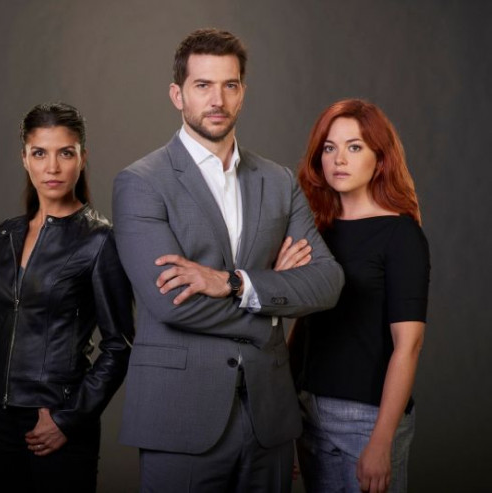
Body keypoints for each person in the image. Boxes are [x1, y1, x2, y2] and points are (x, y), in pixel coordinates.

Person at [112, 28, 345, 492]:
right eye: (202, 85)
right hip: (180, 418)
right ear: (177, 94)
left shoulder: (278, 181)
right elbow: (171, 303)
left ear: (243, 92)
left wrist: (234, 284)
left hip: (269, 419)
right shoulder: (141, 182)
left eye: (229, 85)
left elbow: (328, 281)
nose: (217, 100)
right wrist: (271, 307)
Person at [0, 102, 134, 492]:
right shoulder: (6, 235)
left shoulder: (99, 241)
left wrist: (68, 419)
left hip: (55, 420)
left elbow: (119, 346)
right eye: (40, 153)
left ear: (82, 158)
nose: (52, 167)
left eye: (65, 153)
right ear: (24, 158)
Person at [290, 99, 430, 493]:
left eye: (354, 147)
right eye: (329, 148)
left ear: (379, 159)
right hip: (308, 410)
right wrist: (285, 415)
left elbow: (409, 345)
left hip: (368, 418)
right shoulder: (317, 231)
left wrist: (381, 441)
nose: (339, 159)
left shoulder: (400, 234)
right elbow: (303, 327)